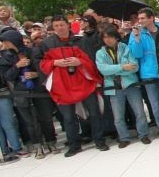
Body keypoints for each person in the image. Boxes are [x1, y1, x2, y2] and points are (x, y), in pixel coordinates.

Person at [35, 15, 107, 157]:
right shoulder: (46, 44)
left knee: (94, 113)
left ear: (68, 25)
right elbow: (40, 63)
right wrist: (54, 63)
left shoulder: (81, 40)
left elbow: (92, 59)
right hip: (62, 85)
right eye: (56, 26)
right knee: (68, 118)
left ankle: (99, 140)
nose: (59, 28)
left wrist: (79, 61)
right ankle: (74, 145)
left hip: (83, 82)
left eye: (62, 25)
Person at [0, 28, 57, 157]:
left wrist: (36, 74)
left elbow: (45, 67)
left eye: (6, 41)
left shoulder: (33, 51)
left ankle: (51, 142)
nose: (5, 44)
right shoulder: (6, 57)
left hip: (38, 90)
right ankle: (37, 145)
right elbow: (6, 76)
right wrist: (17, 66)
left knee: (46, 118)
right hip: (21, 92)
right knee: (29, 122)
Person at [128, 7, 159, 140]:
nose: (140, 21)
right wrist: (137, 39)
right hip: (149, 73)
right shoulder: (136, 34)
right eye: (139, 18)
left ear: (151, 18)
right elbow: (136, 54)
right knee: (156, 105)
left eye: (143, 18)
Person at [96, 28, 150, 148]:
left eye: (110, 36)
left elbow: (134, 67)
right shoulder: (100, 53)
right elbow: (103, 70)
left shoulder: (126, 48)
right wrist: (123, 67)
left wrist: (114, 70)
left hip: (131, 84)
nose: (108, 40)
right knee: (118, 116)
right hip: (113, 87)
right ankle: (124, 138)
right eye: (105, 37)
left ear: (116, 37)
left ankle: (143, 134)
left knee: (139, 112)